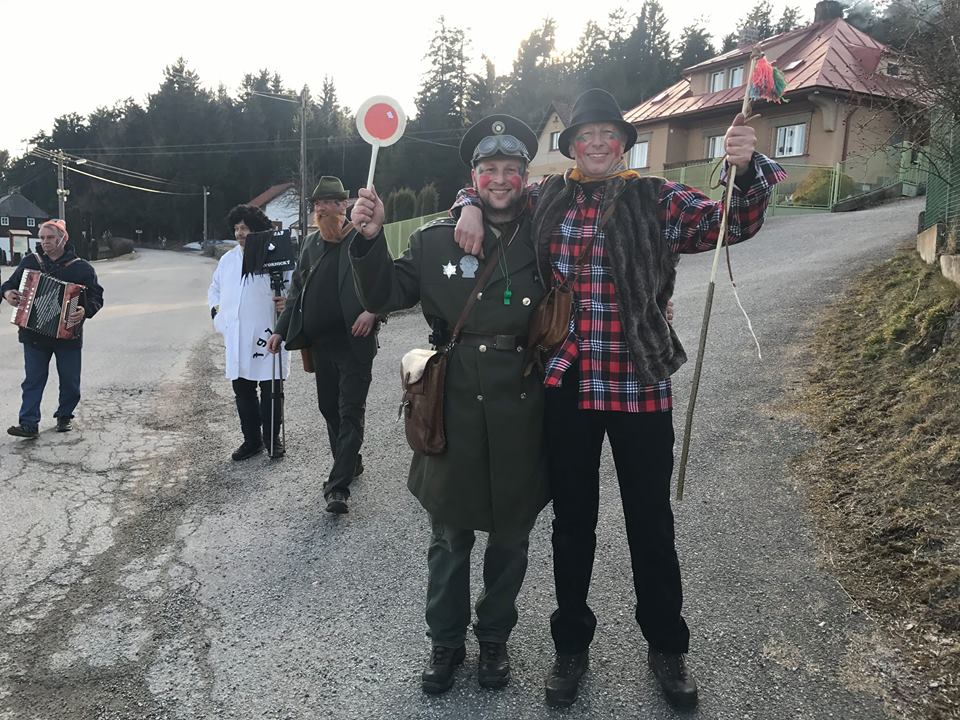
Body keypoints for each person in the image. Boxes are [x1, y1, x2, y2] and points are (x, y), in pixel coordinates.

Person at [454, 88, 787, 709]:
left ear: (624, 143)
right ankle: (571, 645)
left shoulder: (655, 196)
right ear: (571, 147)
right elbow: (494, 193)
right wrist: (470, 205)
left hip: (640, 380)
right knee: (572, 523)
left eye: (609, 133)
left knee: (649, 522)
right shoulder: (545, 198)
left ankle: (666, 645)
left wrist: (744, 170)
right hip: (567, 383)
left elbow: (731, 223)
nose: (598, 143)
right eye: (586, 136)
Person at [349, 114, 550, 695]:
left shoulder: (545, 236)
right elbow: (384, 293)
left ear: (525, 175)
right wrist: (369, 239)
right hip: (453, 404)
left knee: (510, 538)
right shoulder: (435, 240)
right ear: (474, 176)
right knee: (449, 538)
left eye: (511, 169)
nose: (500, 179)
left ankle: (494, 639)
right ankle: (445, 641)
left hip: (521, 407)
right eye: (489, 170)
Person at [267, 176, 379, 514]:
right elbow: (297, 290)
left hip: (354, 343)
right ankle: (350, 461)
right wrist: (280, 330)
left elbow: (384, 280)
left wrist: (373, 312)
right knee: (328, 407)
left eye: (327, 203)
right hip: (321, 345)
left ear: (343, 205)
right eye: (316, 204)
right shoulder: (311, 243)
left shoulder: (362, 237)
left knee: (350, 412)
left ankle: (337, 487)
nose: (320, 209)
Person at [2, 219, 104, 438]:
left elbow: (97, 297)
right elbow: (8, 285)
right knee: (33, 380)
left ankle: (64, 415)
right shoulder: (31, 262)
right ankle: (28, 424)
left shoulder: (82, 268)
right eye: (42, 238)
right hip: (33, 335)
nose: (45, 242)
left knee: (70, 382)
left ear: (63, 239)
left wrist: (84, 311)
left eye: (50, 238)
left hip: (68, 336)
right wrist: (8, 294)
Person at [208, 204, 290, 461]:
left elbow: (294, 286)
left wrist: (287, 302)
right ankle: (252, 440)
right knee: (242, 390)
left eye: (244, 228)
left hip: (267, 333)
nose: (239, 233)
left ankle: (272, 439)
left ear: (257, 229)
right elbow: (215, 290)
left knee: (271, 390)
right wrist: (217, 315)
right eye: (236, 228)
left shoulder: (275, 257)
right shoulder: (227, 260)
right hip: (237, 336)